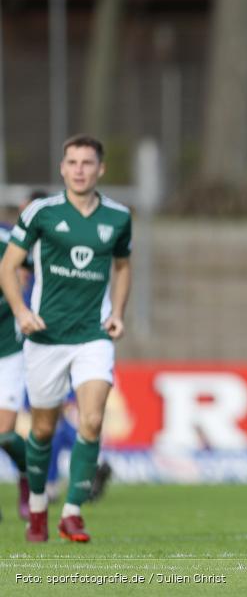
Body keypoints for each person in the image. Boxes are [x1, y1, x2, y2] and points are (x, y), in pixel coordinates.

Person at [0, 134, 132, 543]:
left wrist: (119, 314)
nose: (79, 169)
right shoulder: (40, 212)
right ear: (62, 168)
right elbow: (9, 267)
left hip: (92, 335)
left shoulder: (118, 217)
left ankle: (72, 512)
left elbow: (124, 267)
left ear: (100, 169)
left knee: (92, 419)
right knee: (41, 430)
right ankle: (38, 507)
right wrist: (22, 311)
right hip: (45, 336)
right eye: (72, 162)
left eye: (87, 163)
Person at [0, 222, 29, 523]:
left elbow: (35, 265)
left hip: (7, 348)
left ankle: (26, 474)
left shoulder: (9, 239)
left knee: (4, 434)